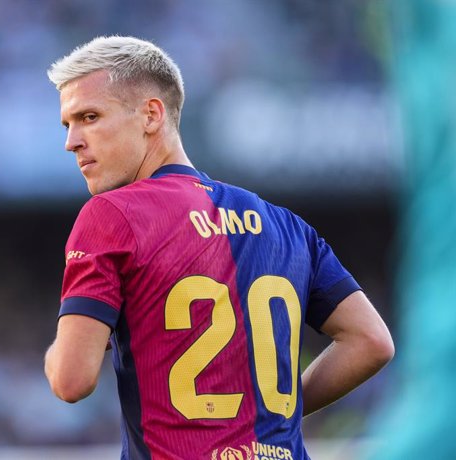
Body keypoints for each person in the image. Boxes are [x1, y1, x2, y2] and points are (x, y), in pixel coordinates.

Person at [43, 36, 394, 460]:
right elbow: (371, 341)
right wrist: (266, 418)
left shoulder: (111, 215)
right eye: (68, 124)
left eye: (89, 117)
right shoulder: (288, 226)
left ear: (151, 115)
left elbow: (70, 381)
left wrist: (60, 350)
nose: (72, 141)